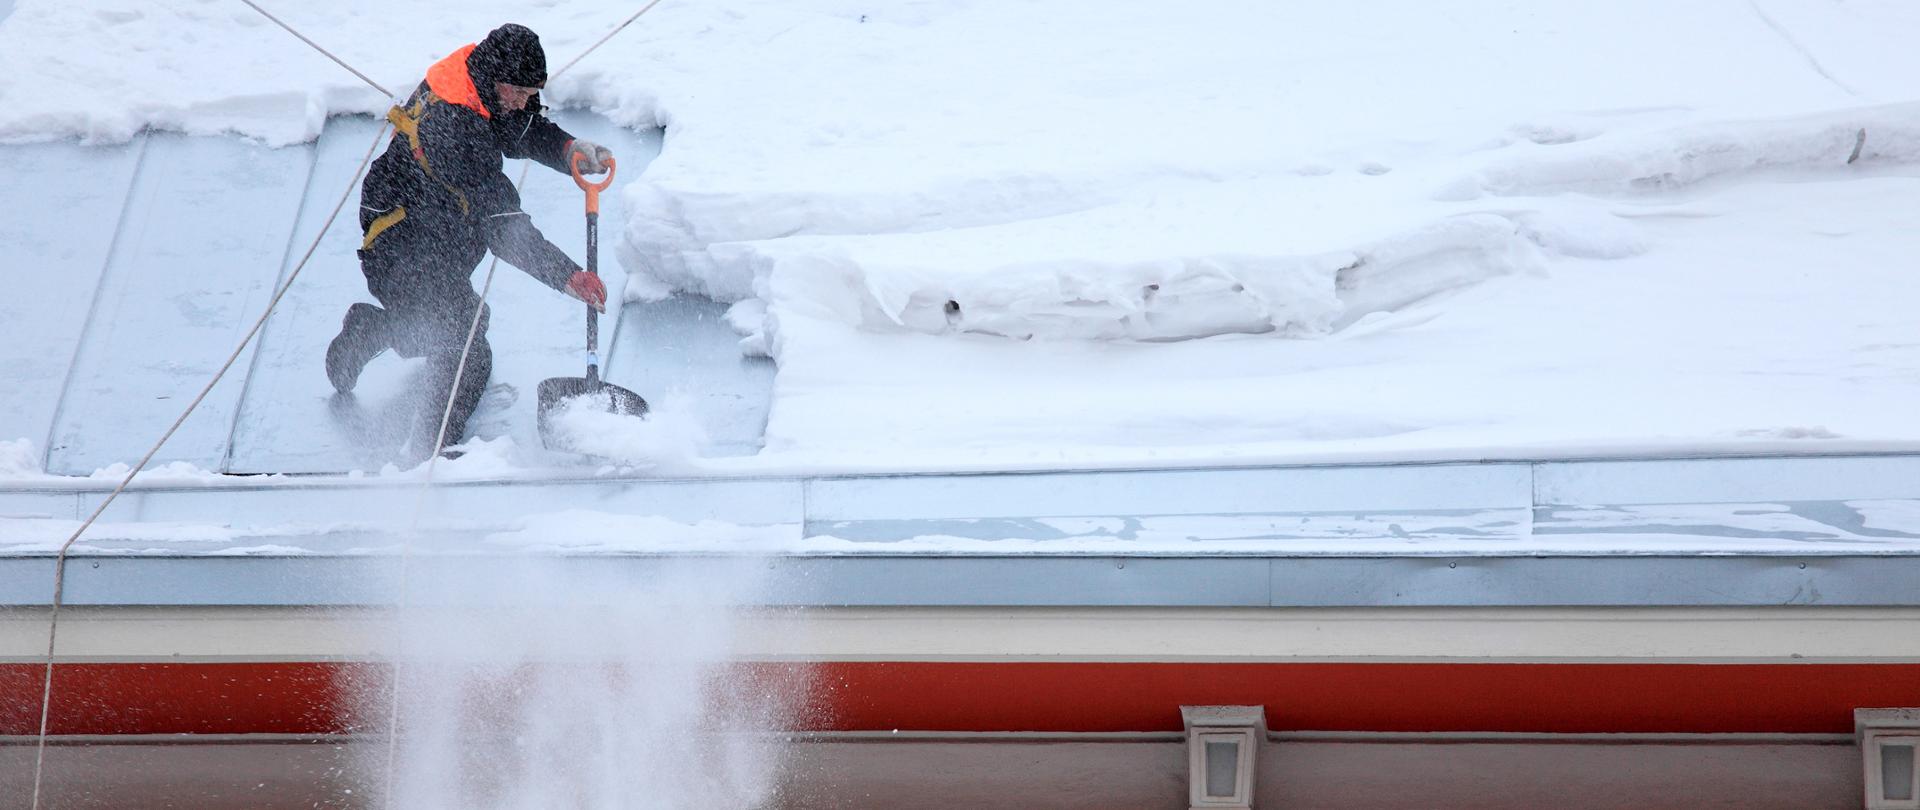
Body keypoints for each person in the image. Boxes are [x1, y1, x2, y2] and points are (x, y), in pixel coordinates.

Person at [324, 23, 613, 459]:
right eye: (518, 91)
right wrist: (568, 276)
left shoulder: (481, 82)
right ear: (496, 77)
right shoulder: (454, 124)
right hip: (397, 240)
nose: (523, 101)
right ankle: (433, 452)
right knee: (467, 349)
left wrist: (568, 148)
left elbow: (519, 126)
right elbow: (503, 226)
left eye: (531, 92)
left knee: (456, 328)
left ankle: (377, 328)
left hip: (439, 227)